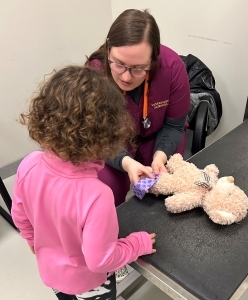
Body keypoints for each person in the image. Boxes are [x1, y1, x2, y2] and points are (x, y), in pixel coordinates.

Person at [11, 66, 156, 300]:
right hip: (89, 283)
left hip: (51, 273)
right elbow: (101, 260)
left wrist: (32, 239)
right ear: (109, 133)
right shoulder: (97, 194)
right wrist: (136, 244)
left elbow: (20, 215)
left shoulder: (29, 164)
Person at [86, 8, 190, 282]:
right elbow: (100, 135)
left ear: (153, 60)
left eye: (138, 68)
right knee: (106, 185)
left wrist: (161, 154)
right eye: (118, 64)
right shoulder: (95, 73)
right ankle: (112, 246)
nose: (126, 77)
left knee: (163, 182)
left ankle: (162, 242)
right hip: (113, 141)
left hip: (156, 137)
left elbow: (175, 125)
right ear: (108, 51)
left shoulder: (172, 67)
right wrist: (125, 161)